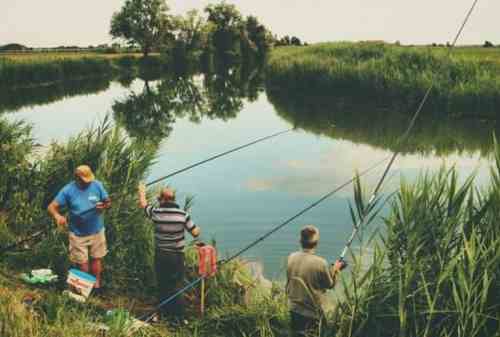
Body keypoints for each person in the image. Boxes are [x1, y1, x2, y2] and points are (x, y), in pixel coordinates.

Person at [138, 183, 200, 320]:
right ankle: (178, 315)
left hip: (161, 255)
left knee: (162, 284)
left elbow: (143, 205)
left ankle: (163, 312)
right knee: (176, 285)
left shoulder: (156, 213)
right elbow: (195, 233)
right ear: (173, 199)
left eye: (159, 199)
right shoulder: (183, 215)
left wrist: (141, 190)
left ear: (163, 200)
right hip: (177, 256)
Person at [47, 165, 111, 294]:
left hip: (97, 230)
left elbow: (108, 202)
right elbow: (51, 207)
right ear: (77, 178)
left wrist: (103, 207)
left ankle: (97, 287)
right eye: (85, 180)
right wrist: (57, 216)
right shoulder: (68, 190)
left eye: (89, 179)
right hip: (77, 233)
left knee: (97, 258)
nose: (88, 182)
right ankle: (83, 290)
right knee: (82, 262)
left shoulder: (97, 185)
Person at [286, 225, 344, 337]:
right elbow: (330, 285)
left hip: (294, 309)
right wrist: (336, 270)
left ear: (300, 241)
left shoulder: (291, 257)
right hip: (311, 314)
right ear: (317, 243)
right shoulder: (321, 263)